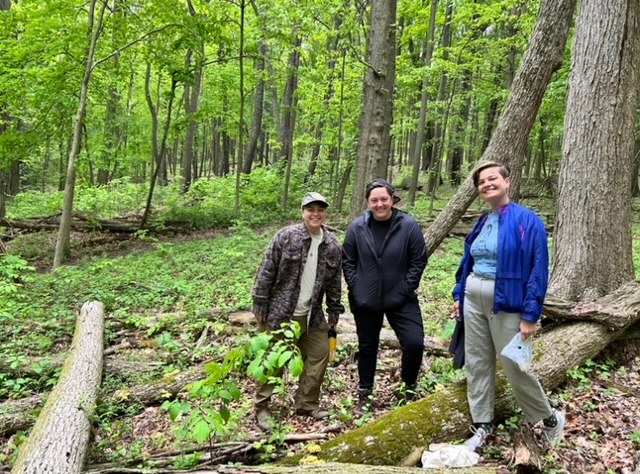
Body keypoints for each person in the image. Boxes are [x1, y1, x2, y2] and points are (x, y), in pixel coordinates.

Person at [452, 161, 565, 450]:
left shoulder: (528, 221)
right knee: (477, 363)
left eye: (493, 179)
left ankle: (550, 419)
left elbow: (538, 270)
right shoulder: (483, 220)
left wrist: (530, 315)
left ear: (507, 182)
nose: (487, 184)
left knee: (514, 364)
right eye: (481, 182)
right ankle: (482, 425)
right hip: (473, 297)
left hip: (508, 302)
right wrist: (458, 295)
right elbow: (468, 262)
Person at [251, 192, 344, 431]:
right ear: (303, 212)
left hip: (311, 316)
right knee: (273, 360)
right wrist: (260, 302)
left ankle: (306, 403)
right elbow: (266, 270)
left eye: (320, 210)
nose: (315, 214)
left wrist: (334, 312)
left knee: (320, 353)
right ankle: (262, 407)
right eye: (310, 209)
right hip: (281, 313)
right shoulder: (286, 237)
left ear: (326, 214)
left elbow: (334, 283)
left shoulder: (332, 245)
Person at [342, 178, 428, 408]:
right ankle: (365, 393)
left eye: (384, 199)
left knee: (414, 342)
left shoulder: (408, 226)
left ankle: (407, 388)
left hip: (401, 298)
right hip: (365, 299)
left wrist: (405, 289)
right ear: (368, 202)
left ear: (392, 200)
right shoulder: (357, 228)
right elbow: (348, 261)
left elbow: (418, 261)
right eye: (374, 200)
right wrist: (356, 287)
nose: (379, 204)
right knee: (367, 346)